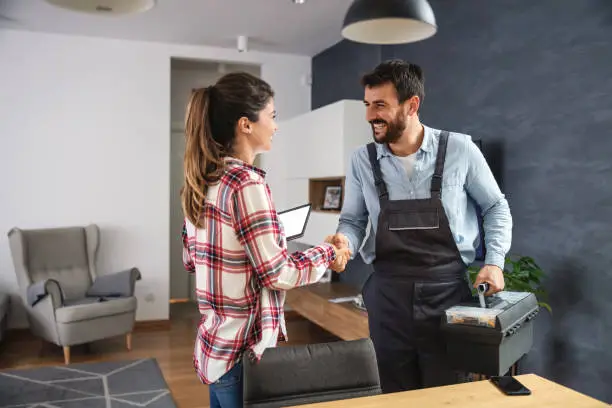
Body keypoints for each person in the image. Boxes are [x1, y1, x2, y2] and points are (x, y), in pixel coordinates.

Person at [326, 59, 513, 393]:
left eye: (380, 105)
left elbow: (495, 206)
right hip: (387, 299)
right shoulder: (361, 160)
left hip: (448, 296)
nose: (370, 116)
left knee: (447, 394)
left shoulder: (460, 149)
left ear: (412, 104)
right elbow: (353, 221)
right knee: (394, 395)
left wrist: (494, 262)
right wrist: (345, 242)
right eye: (367, 105)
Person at [181, 72, 352, 408]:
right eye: (272, 116)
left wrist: (266, 236)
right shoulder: (246, 184)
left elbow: (194, 258)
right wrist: (328, 253)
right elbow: (278, 274)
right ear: (246, 124)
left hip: (215, 348)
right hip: (244, 354)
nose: (276, 125)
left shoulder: (203, 181)